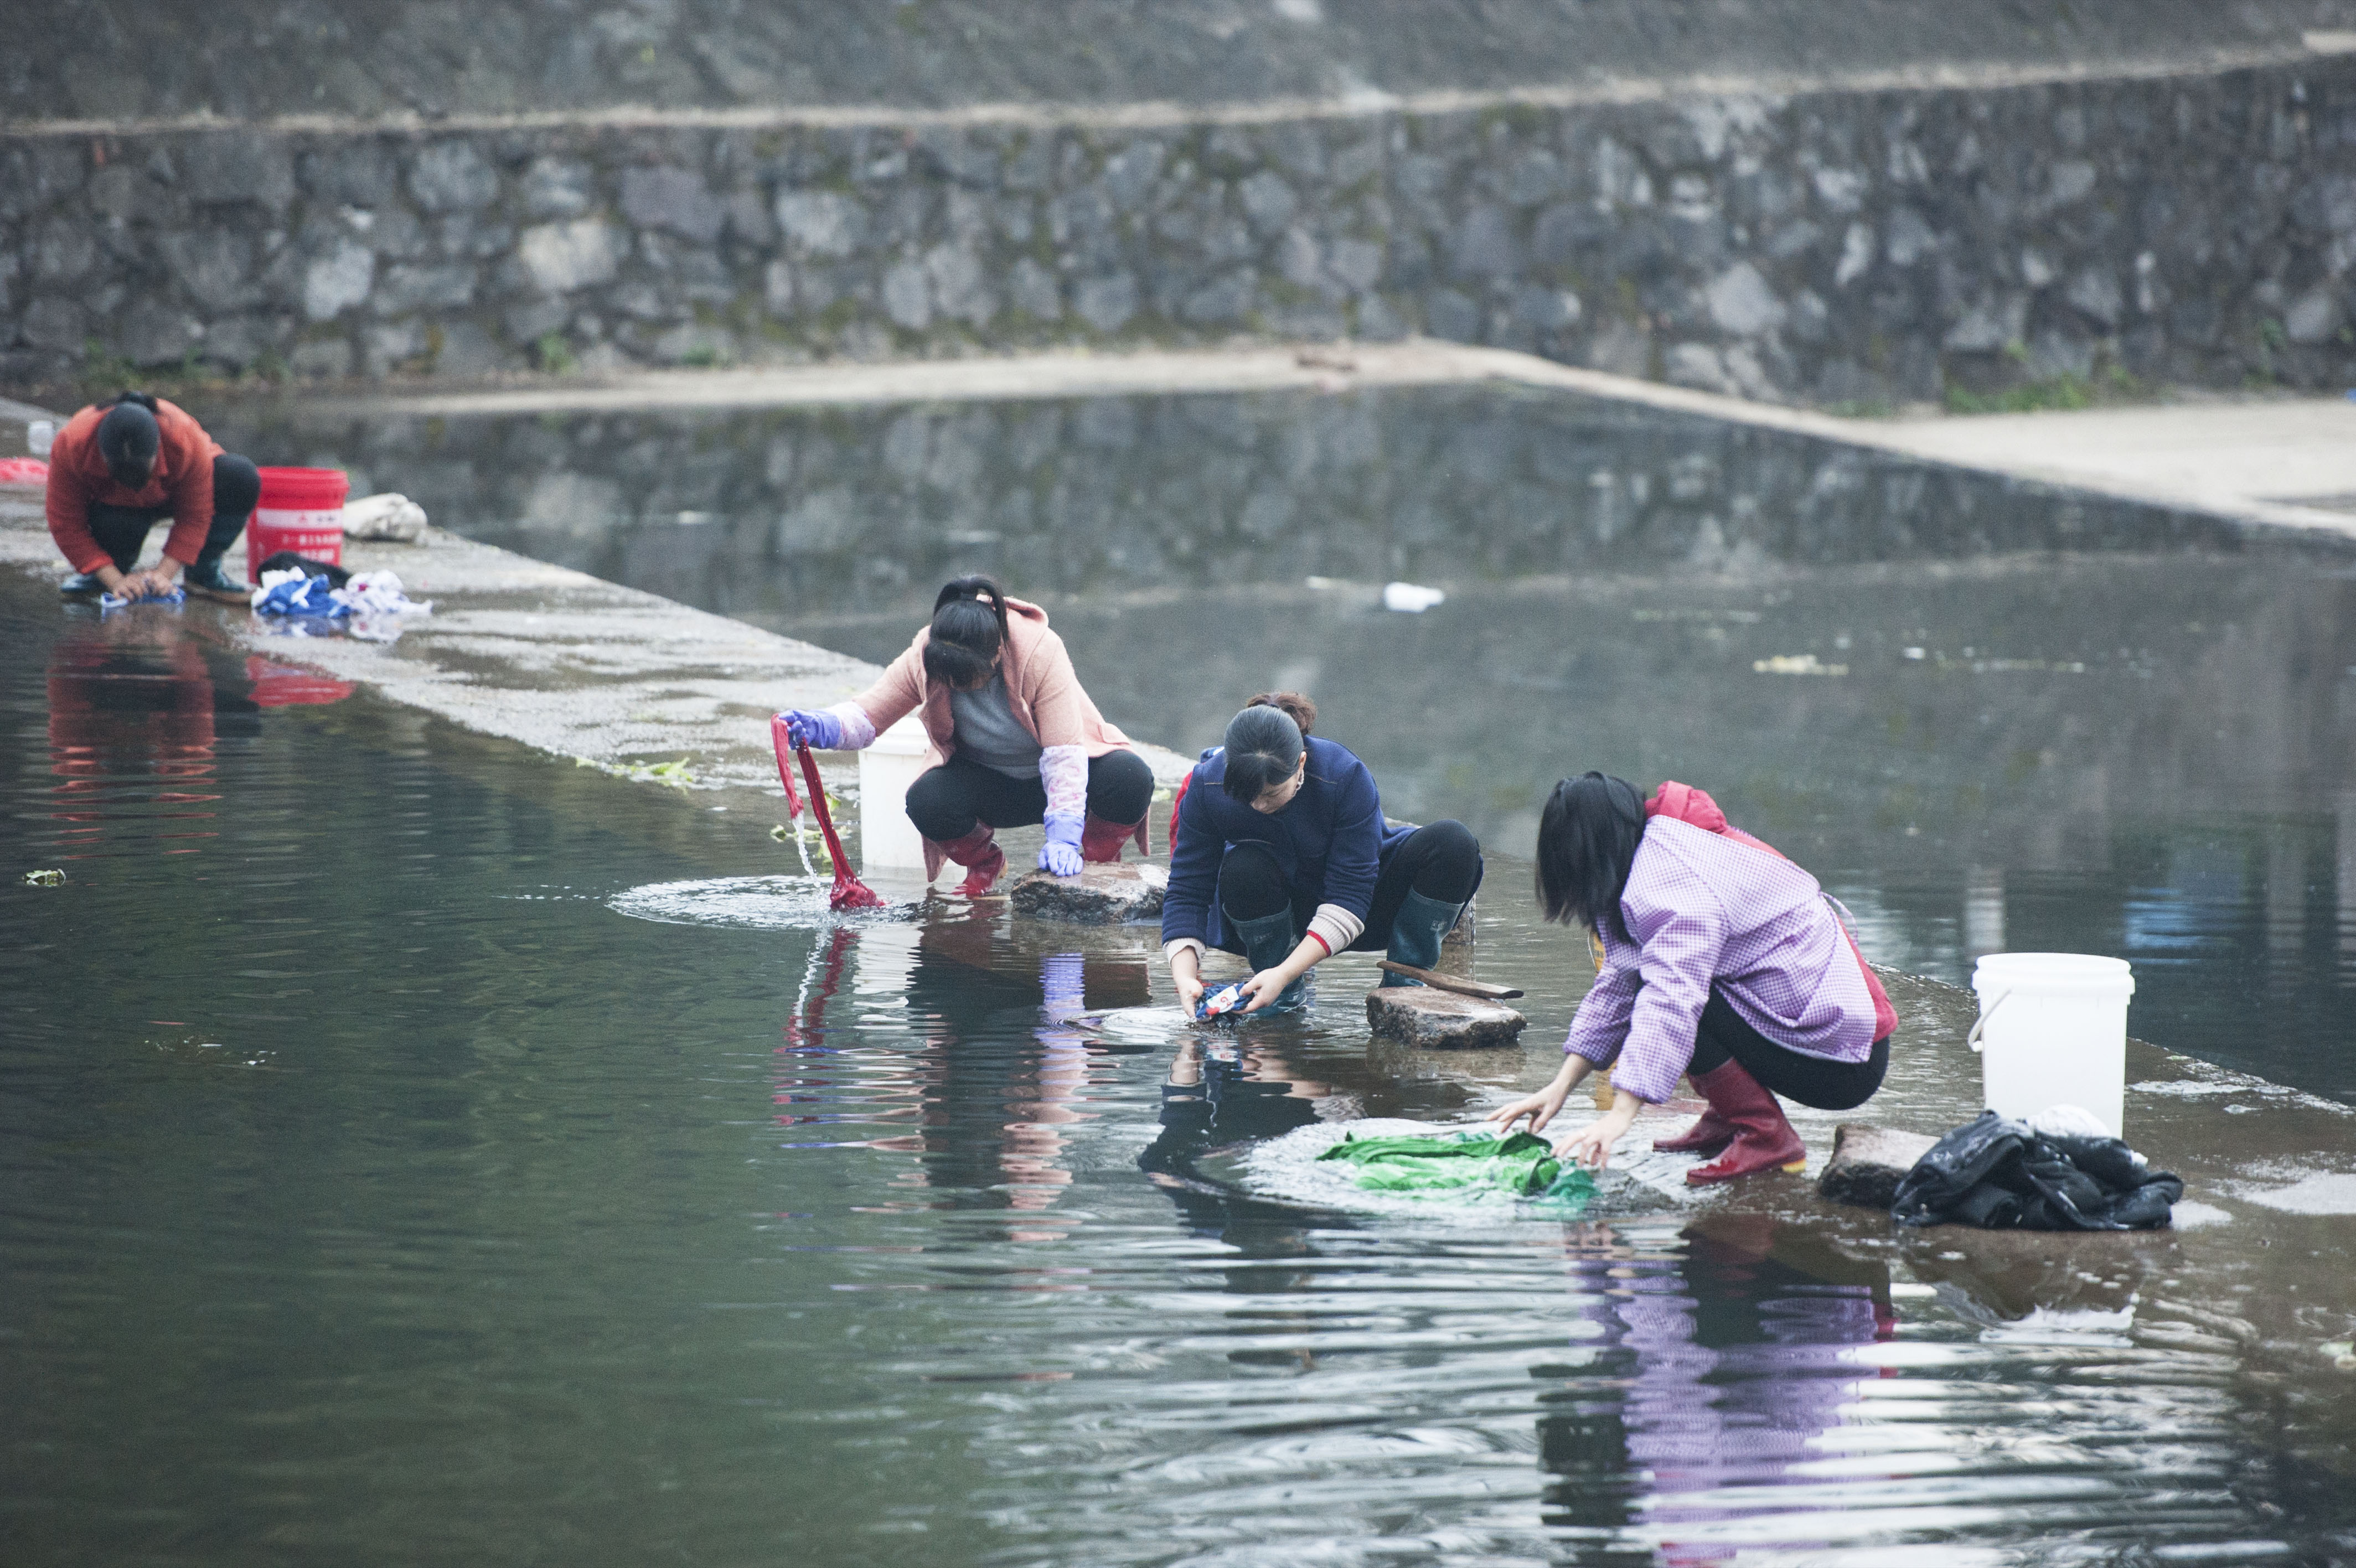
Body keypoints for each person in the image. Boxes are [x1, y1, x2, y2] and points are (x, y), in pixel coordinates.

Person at [1492, 773, 1897, 1184]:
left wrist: (1619, 1117)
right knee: (1652, 985)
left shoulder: (1667, 880)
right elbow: (1618, 983)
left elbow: (1671, 998)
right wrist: (1559, 1087)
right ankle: (1729, 1115)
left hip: (1843, 1060)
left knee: (1675, 998)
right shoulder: (1651, 855)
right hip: (1820, 1035)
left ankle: (1766, 1136)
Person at [774, 576, 1154, 895]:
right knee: (927, 799)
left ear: (996, 655)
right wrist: (820, 725)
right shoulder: (929, 652)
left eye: (965, 676)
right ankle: (986, 864)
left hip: (1060, 776)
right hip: (988, 784)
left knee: (1130, 777)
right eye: (948, 676)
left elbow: (1064, 753)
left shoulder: (1039, 649)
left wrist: (1065, 836)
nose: (956, 685)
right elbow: (868, 715)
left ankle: (1095, 860)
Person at [1160, 693, 1483, 1017]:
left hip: (1360, 906)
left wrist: (1287, 970)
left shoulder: (1343, 774)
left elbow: (1351, 892)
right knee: (1243, 866)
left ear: (1300, 763)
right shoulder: (1207, 784)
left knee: (1454, 843)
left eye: (1271, 794)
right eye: (1247, 797)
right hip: (1272, 911)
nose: (1259, 806)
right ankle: (1280, 997)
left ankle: (1403, 987)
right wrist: (1186, 977)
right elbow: (1188, 891)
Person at [45, 392, 258, 602]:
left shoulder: (183, 436)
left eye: (142, 473)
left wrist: (164, 575)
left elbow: (195, 516)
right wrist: (115, 580)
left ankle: (204, 573)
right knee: (116, 534)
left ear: (158, 447)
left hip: (175, 493)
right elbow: (66, 524)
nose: (138, 488)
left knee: (240, 477)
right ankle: (106, 571)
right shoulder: (72, 442)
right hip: (115, 509)